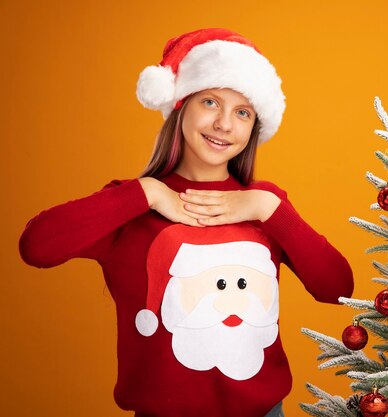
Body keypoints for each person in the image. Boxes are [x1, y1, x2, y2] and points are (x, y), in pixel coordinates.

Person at [19, 28, 354, 417]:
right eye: (210, 101)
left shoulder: (265, 205)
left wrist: (268, 208)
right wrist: (146, 193)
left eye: (242, 112)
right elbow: (36, 246)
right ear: (181, 106)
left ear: (253, 128)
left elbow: (338, 288)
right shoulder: (131, 207)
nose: (224, 124)